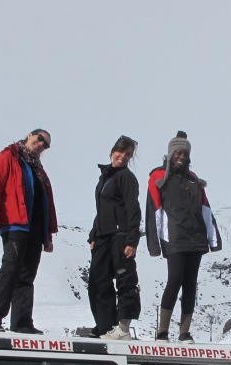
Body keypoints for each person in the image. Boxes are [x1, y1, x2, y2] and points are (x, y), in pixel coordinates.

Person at [145, 131, 222, 343]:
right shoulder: (158, 177)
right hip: (175, 238)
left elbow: (206, 209)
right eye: (177, 152)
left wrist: (213, 240)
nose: (181, 156)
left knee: (190, 284)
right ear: (171, 154)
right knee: (174, 280)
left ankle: (184, 333)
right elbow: (154, 210)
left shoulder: (194, 180)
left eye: (184, 153)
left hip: (196, 239)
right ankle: (162, 332)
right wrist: (155, 245)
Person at [0, 129, 58, 334]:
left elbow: (45, 203)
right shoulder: (10, 156)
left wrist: (47, 235)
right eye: (39, 139)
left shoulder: (38, 169)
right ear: (30, 135)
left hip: (35, 228)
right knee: (11, 268)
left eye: (46, 144)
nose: (41, 144)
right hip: (15, 224)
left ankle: (22, 323)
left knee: (27, 275)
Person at [87, 135, 141, 340]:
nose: (123, 156)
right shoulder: (104, 177)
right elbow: (101, 209)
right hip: (102, 236)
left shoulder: (127, 178)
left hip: (121, 235)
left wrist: (132, 240)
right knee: (98, 281)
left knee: (125, 280)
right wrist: (94, 234)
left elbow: (133, 209)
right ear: (112, 151)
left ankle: (123, 329)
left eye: (128, 154)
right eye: (120, 151)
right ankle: (105, 326)